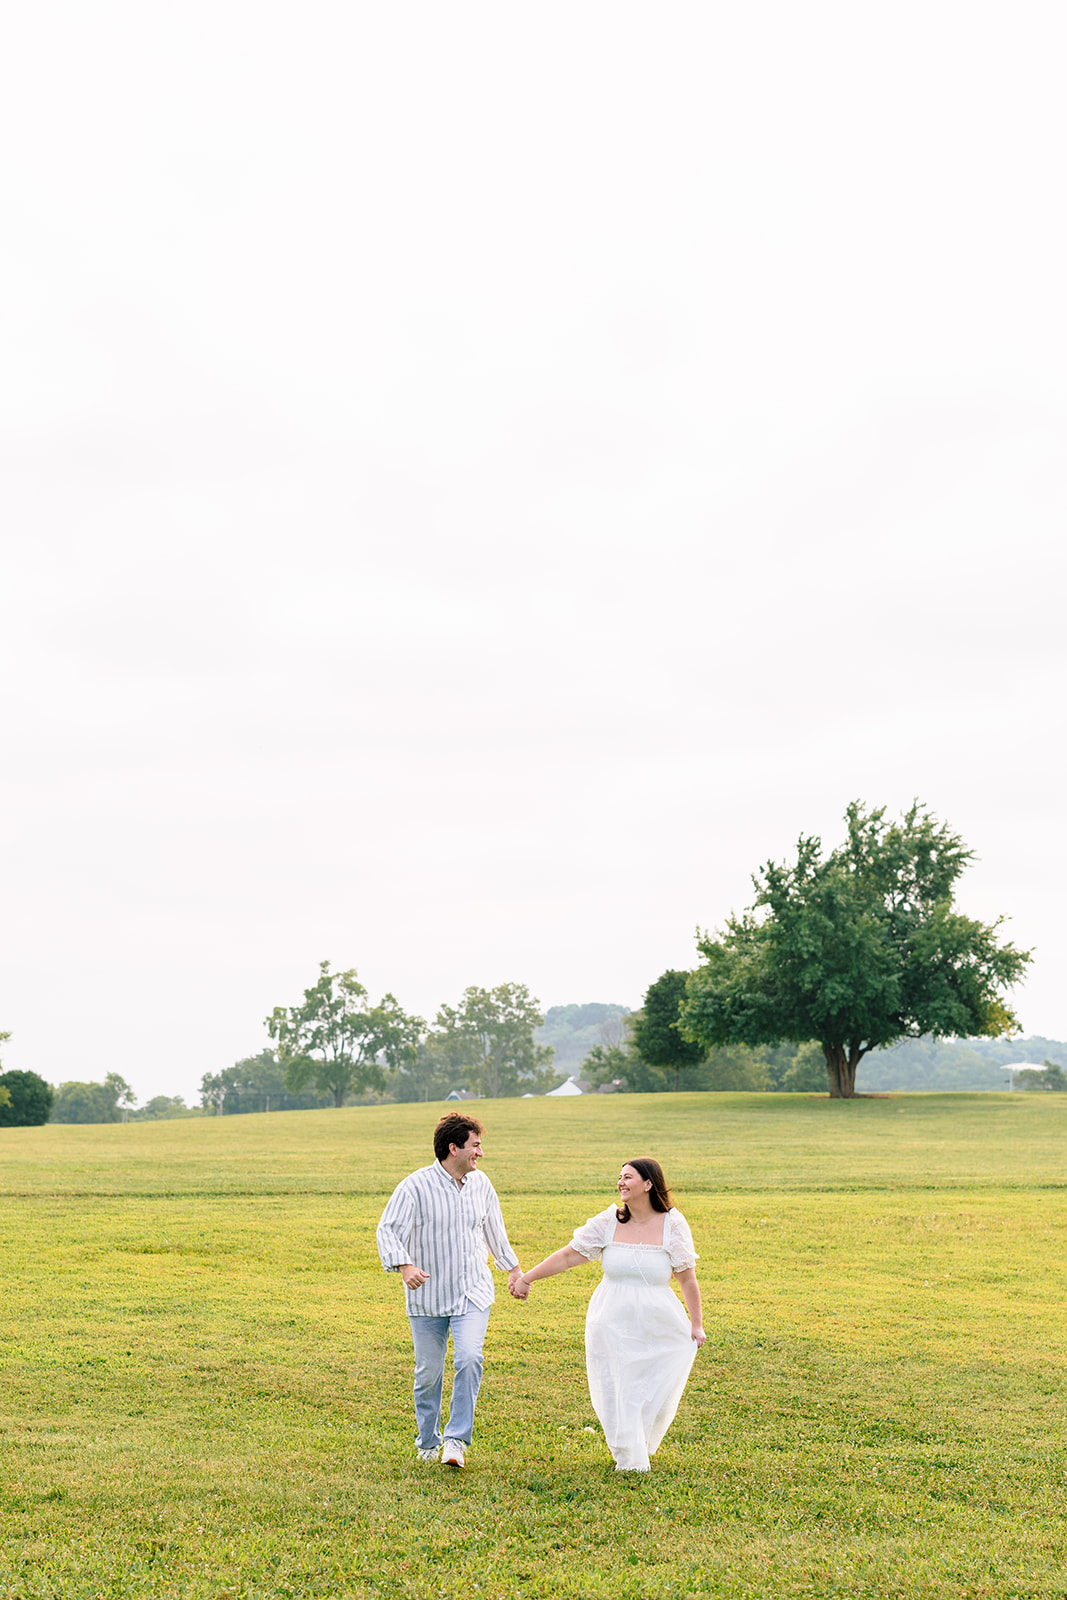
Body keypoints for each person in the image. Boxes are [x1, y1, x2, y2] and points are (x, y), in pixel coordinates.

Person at [511, 1157, 704, 1472]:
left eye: (628, 1177)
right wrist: (527, 1277)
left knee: (645, 1386)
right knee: (618, 1385)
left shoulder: (673, 1224)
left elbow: (687, 1277)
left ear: (648, 1184)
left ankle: (635, 1444)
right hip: (610, 1319)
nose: (621, 1183)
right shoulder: (609, 1221)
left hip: (657, 1321)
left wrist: (696, 1325)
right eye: (620, 1177)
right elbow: (568, 1256)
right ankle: (629, 1457)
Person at [376, 1112, 525, 1468]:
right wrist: (405, 1265)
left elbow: (494, 1231)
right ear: (453, 1148)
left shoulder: (482, 1184)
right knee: (428, 1374)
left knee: (470, 1358)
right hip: (428, 1297)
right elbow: (387, 1230)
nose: (481, 1153)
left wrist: (514, 1269)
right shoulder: (414, 1186)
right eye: (476, 1146)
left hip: (473, 1291)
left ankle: (456, 1441)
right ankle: (428, 1441)